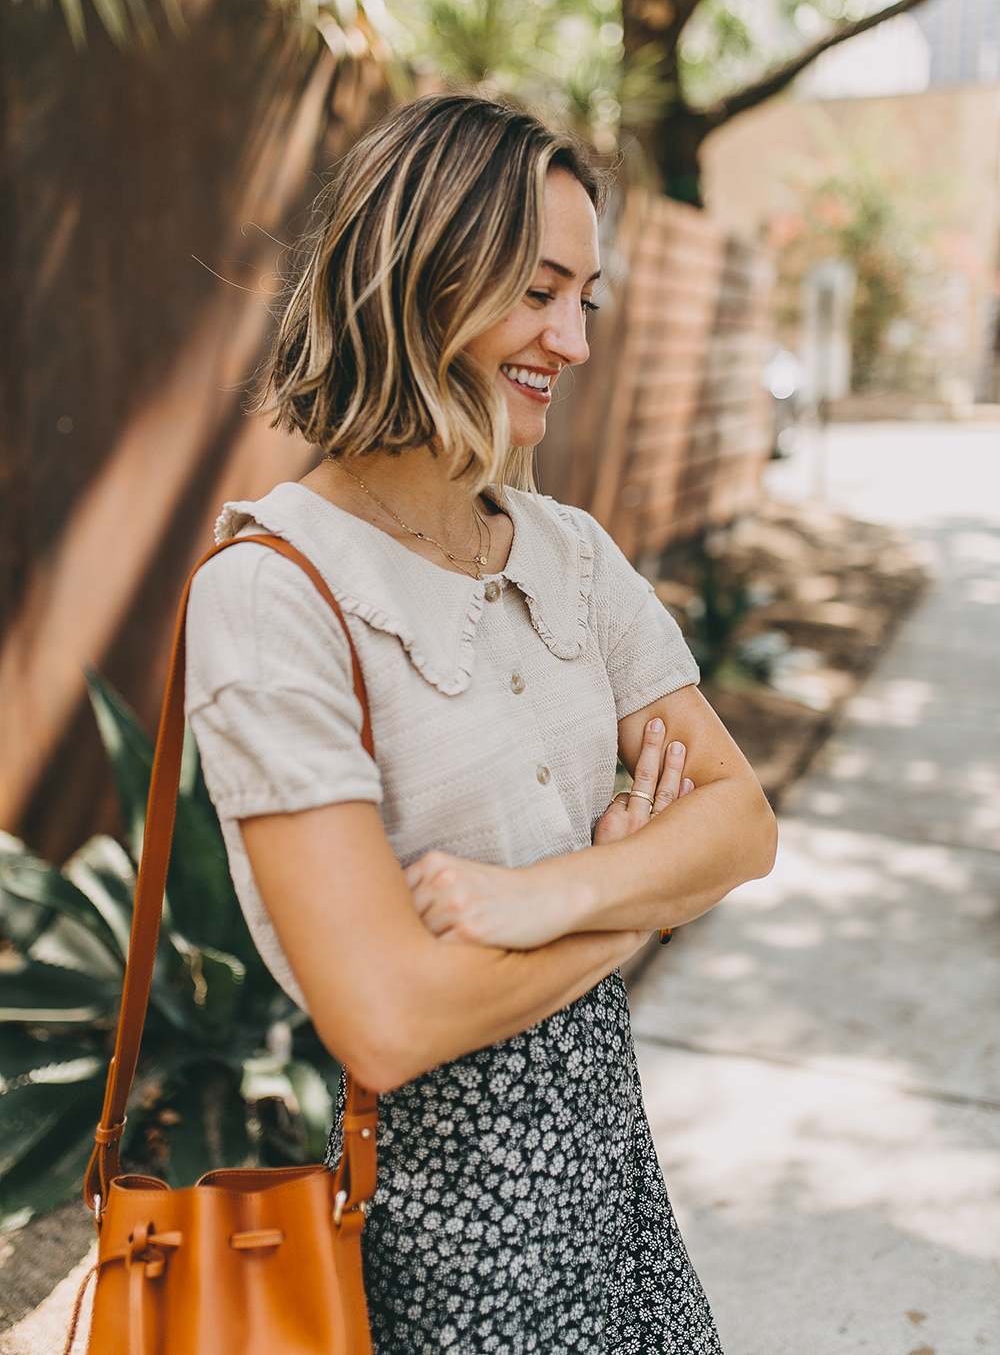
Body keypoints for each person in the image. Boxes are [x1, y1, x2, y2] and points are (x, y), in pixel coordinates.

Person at [185, 93, 777, 1354]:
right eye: (538, 290)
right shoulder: (273, 594)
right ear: (417, 279)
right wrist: (635, 894)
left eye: (588, 299)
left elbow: (742, 826)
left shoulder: (566, 550)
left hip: (613, 1176)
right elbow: (388, 1020)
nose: (570, 337)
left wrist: (554, 892)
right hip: (434, 1229)